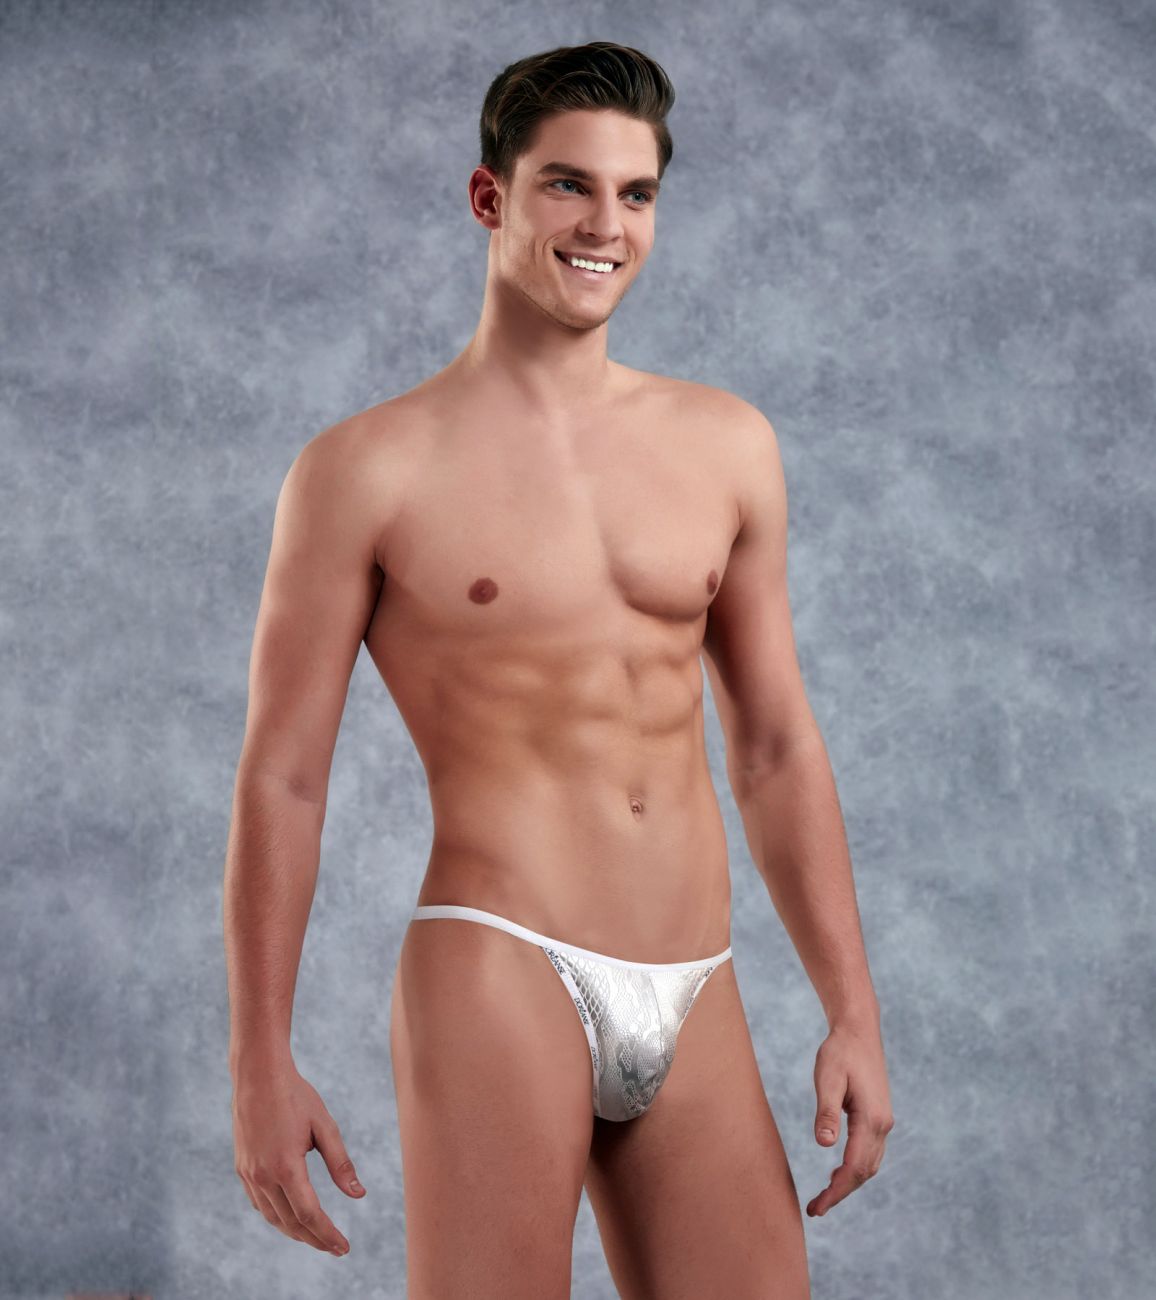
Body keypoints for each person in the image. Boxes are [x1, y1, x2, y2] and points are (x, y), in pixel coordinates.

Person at [224, 40, 893, 1298]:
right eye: (567, 186)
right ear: (492, 197)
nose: (604, 226)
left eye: (635, 194)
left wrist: (850, 1008)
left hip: (695, 978)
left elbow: (772, 747)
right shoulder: (365, 471)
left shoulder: (726, 444)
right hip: (500, 959)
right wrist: (259, 1060)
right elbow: (284, 779)